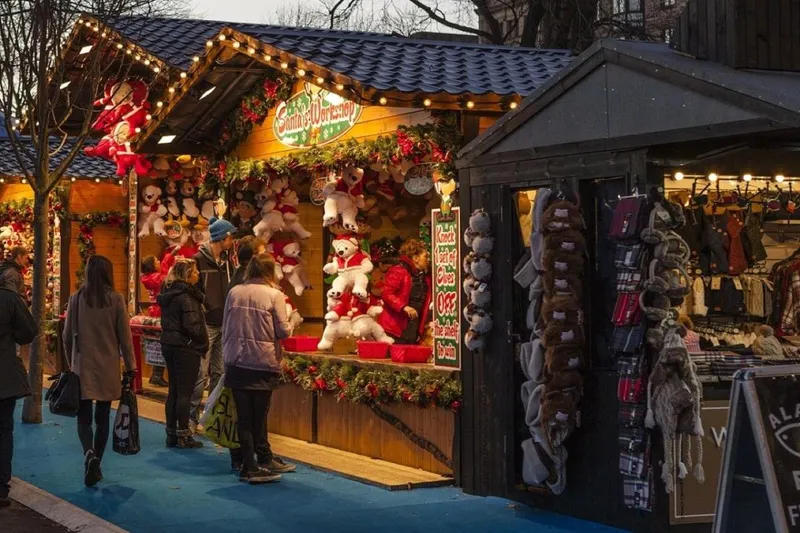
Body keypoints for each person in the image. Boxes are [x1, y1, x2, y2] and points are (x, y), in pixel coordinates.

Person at [63, 255, 136, 488]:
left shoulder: (75, 299)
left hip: (82, 365)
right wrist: (131, 366)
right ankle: (98, 463)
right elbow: (125, 337)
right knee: (102, 417)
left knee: (83, 418)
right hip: (108, 366)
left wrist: (70, 362)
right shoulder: (116, 300)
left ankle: (89, 454)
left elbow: (66, 336)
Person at [223, 254, 296, 484]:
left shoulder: (235, 291)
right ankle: (255, 464)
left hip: (236, 359)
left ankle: (247, 465)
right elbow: (283, 331)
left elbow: (226, 324)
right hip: (262, 362)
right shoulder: (275, 295)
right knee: (258, 417)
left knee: (243, 418)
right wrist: (294, 320)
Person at [190, 217, 236, 432]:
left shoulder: (228, 262)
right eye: (230, 236)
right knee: (200, 372)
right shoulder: (199, 259)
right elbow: (194, 288)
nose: (232, 240)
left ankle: (211, 417)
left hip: (224, 323)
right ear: (222, 238)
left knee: (219, 371)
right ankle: (191, 417)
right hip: (207, 322)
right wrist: (205, 306)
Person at [158, 258, 208, 449]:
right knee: (185, 392)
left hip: (169, 344)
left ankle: (171, 433)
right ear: (187, 275)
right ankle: (183, 434)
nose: (198, 275)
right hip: (185, 347)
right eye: (195, 272)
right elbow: (192, 325)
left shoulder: (169, 293)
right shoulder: (187, 296)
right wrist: (202, 342)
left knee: (174, 390)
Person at [0, 287, 37, 508]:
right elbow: (28, 332)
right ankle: (1, 486)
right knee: (4, 429)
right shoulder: (9, 298)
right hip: (4, 373)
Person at [378, 238, 432, 344]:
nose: (428, 259)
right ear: (416, 258)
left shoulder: (424, 276)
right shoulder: (398, 271)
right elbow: (387, 293)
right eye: (425, 256)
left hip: (413, 324)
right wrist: (403, 306)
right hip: (396, 326)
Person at [141, 253, 175, 387]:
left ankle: (156, 374)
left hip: (153, 312)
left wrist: (169, 256)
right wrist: (169, 259)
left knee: (156, 344)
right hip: (161, 312)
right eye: (156, 260)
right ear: (152, 265)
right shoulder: (158, 278)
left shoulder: (148, 278)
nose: (159, 261)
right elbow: (168, 279)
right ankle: (157, 374)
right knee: (162, 344)